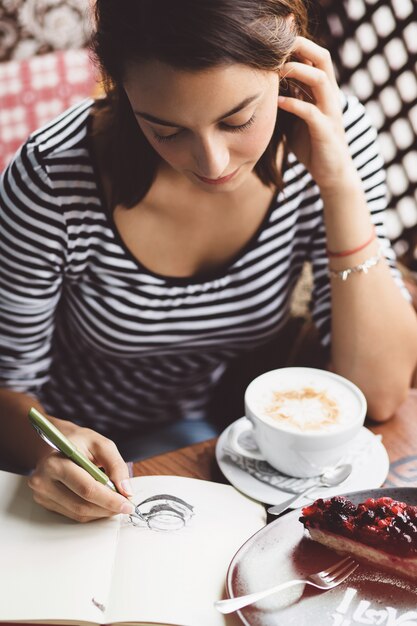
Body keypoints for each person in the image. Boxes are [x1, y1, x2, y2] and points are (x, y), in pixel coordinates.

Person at [0, 0, 416, 522]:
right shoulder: (52, 180)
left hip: (196, 437)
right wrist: (51, 449)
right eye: (166, 131)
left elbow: (378, 394)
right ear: (119, 88)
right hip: (61, 459)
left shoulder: (330, 132)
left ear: (289, 60)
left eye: (238, 119)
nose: (212, 163)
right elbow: (8, 385)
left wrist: (339, 187)